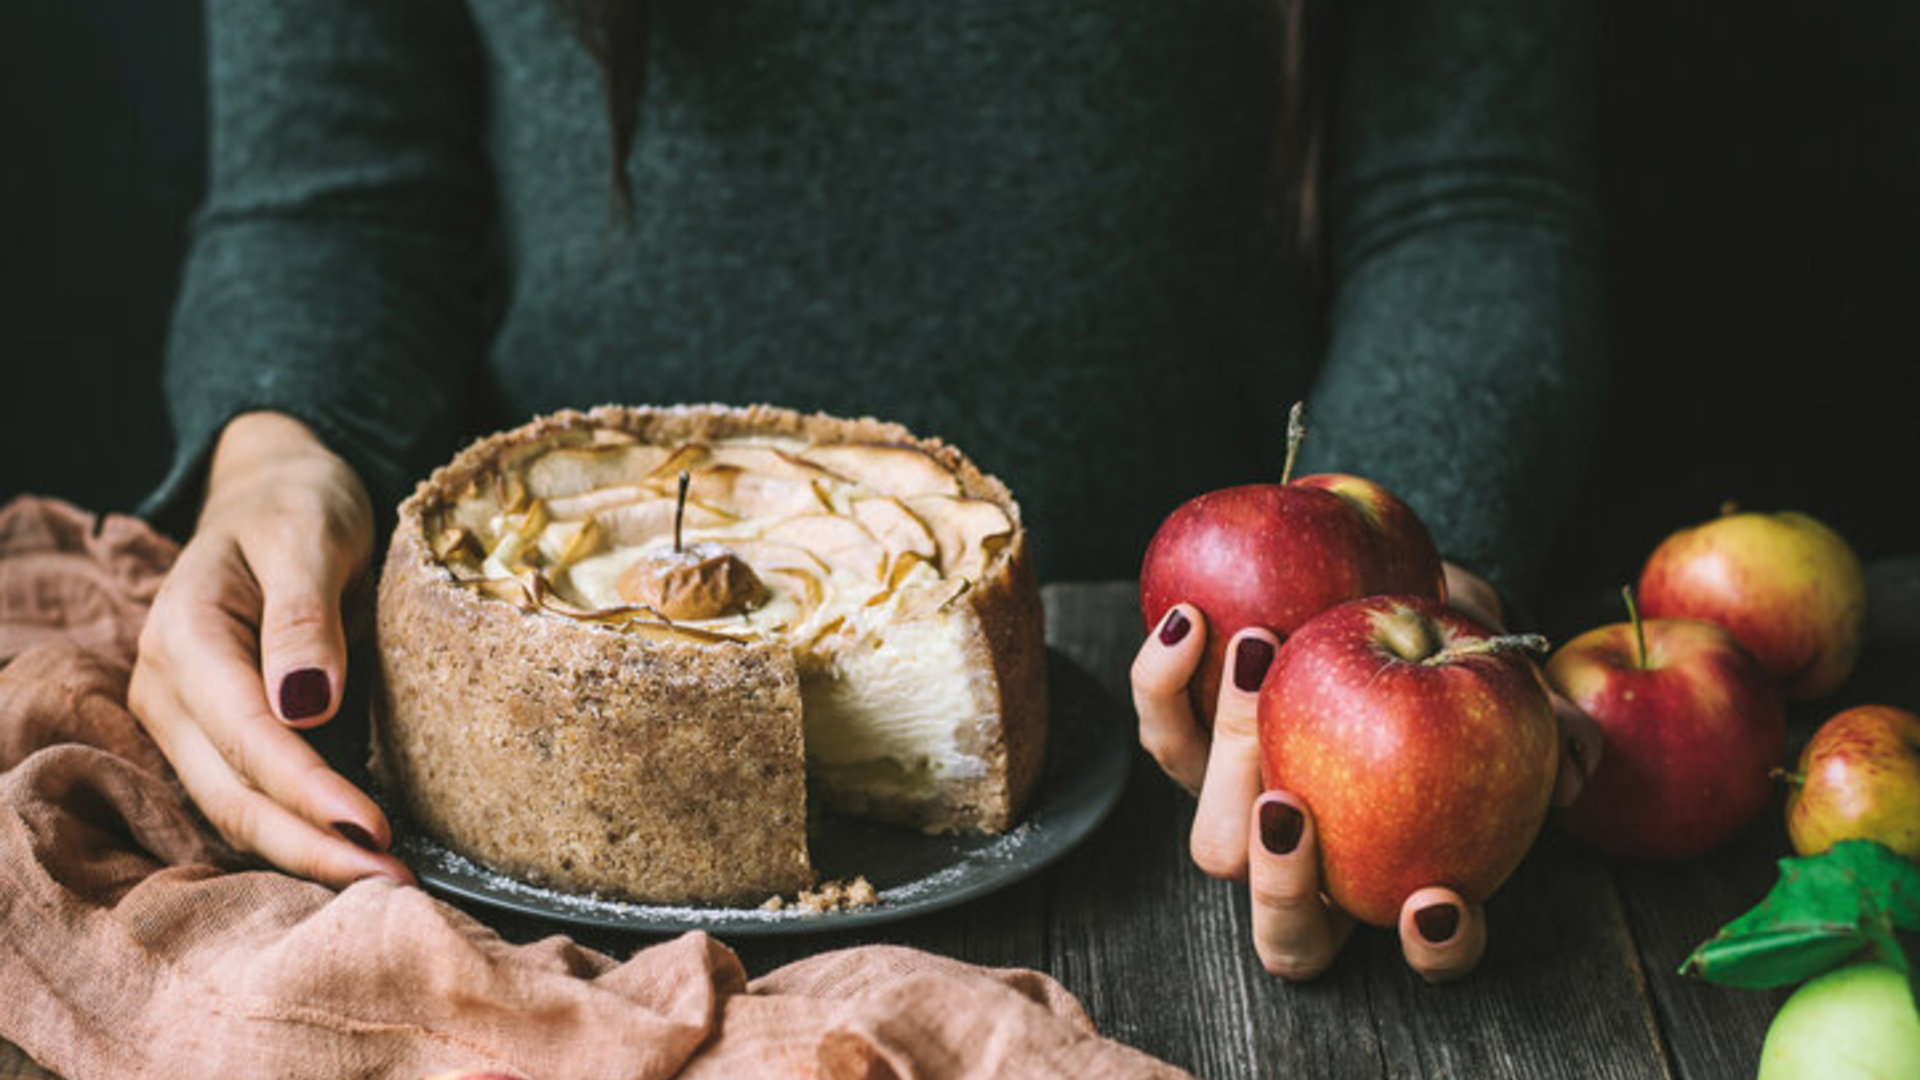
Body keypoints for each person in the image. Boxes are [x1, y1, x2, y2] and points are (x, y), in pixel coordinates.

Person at [129, 0, 1605, 983]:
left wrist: (1393, 602)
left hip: (1206, 783)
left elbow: (1463, 193)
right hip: (528, 856)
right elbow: (340, 187)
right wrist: (280, 449)